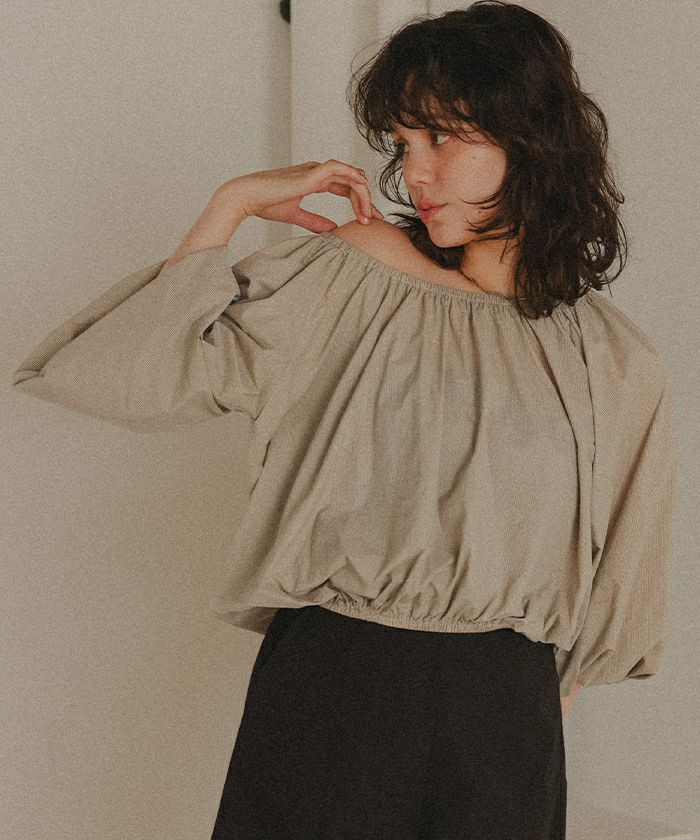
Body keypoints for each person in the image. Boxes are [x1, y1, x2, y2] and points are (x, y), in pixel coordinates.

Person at [9, 2, 676, 838]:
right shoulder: (355, 277)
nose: (416, 173)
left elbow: (615, 596)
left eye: (442, 138)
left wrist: (520, 726)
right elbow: (126, 376)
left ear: (533, 139)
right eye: (403, 144)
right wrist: (229, 207)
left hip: (507, 719)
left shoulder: (614, 360)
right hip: (337, 686)